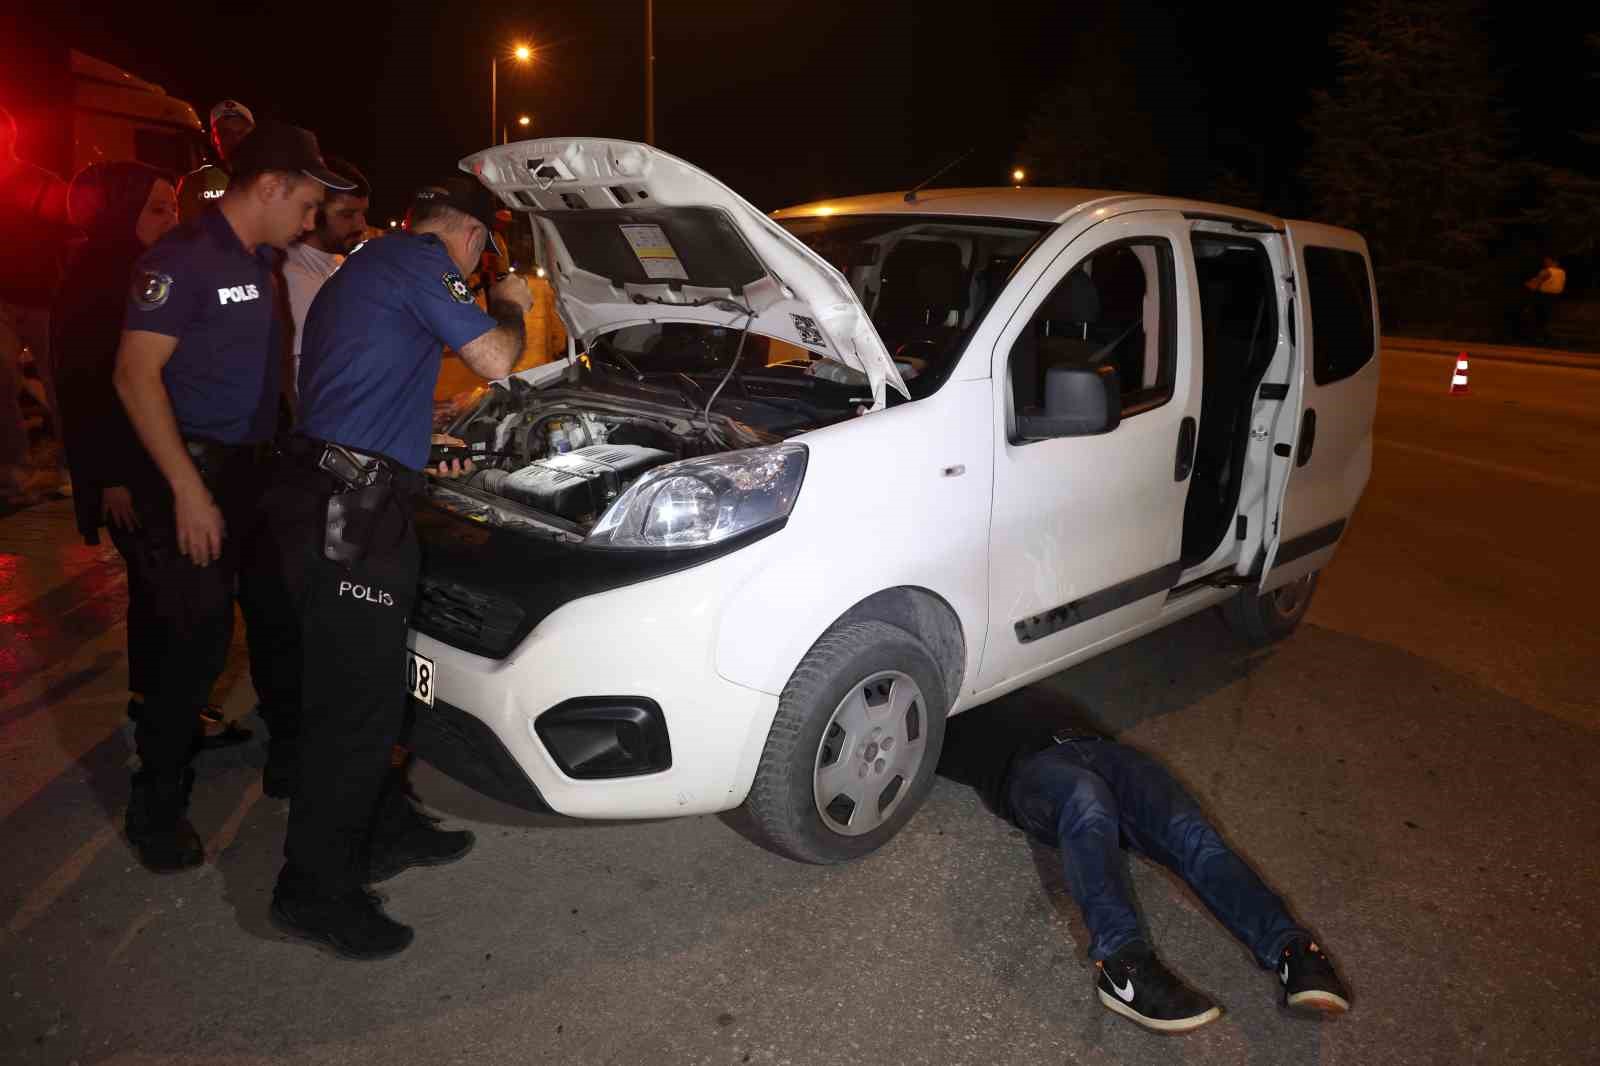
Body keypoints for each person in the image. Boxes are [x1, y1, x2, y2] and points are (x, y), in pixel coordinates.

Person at [267, 176, 531, 959]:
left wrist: (421, 444)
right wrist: (509, 299)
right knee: (353, 711)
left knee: (373, 693)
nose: (481, 263)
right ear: (473, 240)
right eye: (484, 252)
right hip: (350, 518)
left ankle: (384, 829)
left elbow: (367, 382)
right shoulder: (422, 262)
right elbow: (496, 357)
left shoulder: (372, 260)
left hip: (345, 491)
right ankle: (312, 890)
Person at [111, 121, 354, 872]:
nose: (311, 219)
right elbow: (133, 376)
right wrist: (187, 491)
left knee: (281, 621)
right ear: (272, 186)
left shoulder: (264, 261)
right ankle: (156, 804)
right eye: (308, 203)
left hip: (258, 472)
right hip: (194, 473)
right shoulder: (183, 258)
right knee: (192, 642)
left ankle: (287, 761)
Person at [937, 695, 1350, 1033]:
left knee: (1192, 835)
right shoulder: (930, 706)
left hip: (1104, 749)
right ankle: (1123, 967)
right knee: (1086, 803)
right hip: (1033, 772)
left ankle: (1291, 949)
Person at [52, 161, 252, 750]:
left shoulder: (138, 271)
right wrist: (109, 478)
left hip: (148, 466)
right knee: (175, 602)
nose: (171, 220)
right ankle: (171, 723)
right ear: (120, 213)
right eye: (157, 209)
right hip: (129, 475)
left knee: (156, 595)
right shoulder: (98, 282)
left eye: (172, 207)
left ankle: (160, 707)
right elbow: (84, 388)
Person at [0, 105, 72, 500]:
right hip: (2, 299)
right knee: (0, 377)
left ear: (11, 136)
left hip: (44, 296)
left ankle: (73, 465)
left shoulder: (40, 181)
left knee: (58, 381)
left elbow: (70, 228)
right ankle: (13, 470)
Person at [281, 157, 369, 384]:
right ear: (313, 210)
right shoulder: (292, 275)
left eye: (362, 213)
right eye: (347, 215)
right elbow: (303, 378)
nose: (361, 226)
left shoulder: (339, 263)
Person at [176, 100, 255, 225]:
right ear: (213, 139)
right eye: (225, 133)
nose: (235, 139)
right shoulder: (194, 183)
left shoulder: (272, 178)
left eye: (241, 132)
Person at [1522, 255, 1566, 344]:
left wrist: (1527, 285)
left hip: (1544, 297)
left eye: (1547, 261)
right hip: (1555, 297)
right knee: (1547, 318)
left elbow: (1533, 286)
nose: (1545, 263)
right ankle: (1544, 338)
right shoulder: (1562, 272)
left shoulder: (1546, 271)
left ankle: (1537, 338)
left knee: (1539, 317)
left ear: (1553, 262)